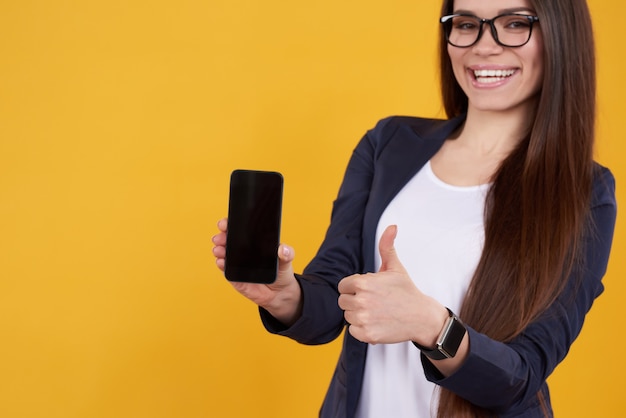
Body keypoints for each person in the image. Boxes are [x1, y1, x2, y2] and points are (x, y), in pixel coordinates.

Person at [212, 0, 617, 416]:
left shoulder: (586, 193)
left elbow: (522, 374)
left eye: (514, 23)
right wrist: (286, 296)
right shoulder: (389, 143)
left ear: (560, 34)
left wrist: (431, 325)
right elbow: (334, 297)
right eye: (465, 24)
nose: (483, 46)